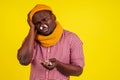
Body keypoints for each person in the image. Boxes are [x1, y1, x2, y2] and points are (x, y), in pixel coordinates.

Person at [17, 4, 84, 80]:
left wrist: (58, 65)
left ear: (53, 17)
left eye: (45, 19)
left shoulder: (71, 38)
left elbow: (78, 71)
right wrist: (32, 29)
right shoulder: (31, 39)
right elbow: (24, 60)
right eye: (37, 23)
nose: (42, 25)